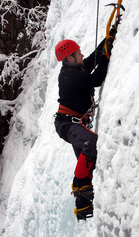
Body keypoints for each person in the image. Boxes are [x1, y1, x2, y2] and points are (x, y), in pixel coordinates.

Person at [54, 28, 116, 220]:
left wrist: (107, 40)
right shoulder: (69, 75)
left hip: (72, 124)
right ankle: (77, 183)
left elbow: (91, 60)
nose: (81, 54)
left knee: (89, 162)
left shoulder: (74, 69)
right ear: (70, 58)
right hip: (67, 124)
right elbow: (96, 79)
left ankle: (83, 207)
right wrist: (106, 56)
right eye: (77, 52)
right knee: (91, 143)